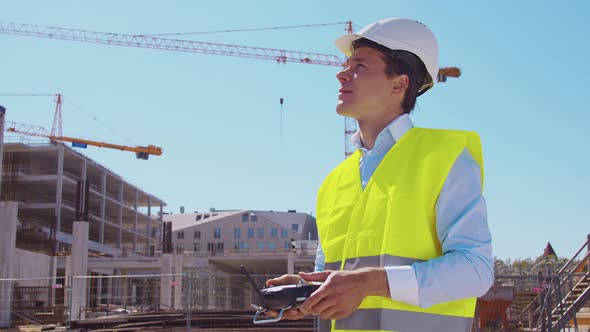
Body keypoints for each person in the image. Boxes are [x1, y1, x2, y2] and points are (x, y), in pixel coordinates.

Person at [266, 17, 493, 332]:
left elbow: (476, 270)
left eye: (359, 66)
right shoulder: (334, 183)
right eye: (347, 64)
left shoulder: (444, 157)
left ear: (399, 84)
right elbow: (332, 277)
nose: (342, 73)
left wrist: (369, 282)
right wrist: (305, 291)